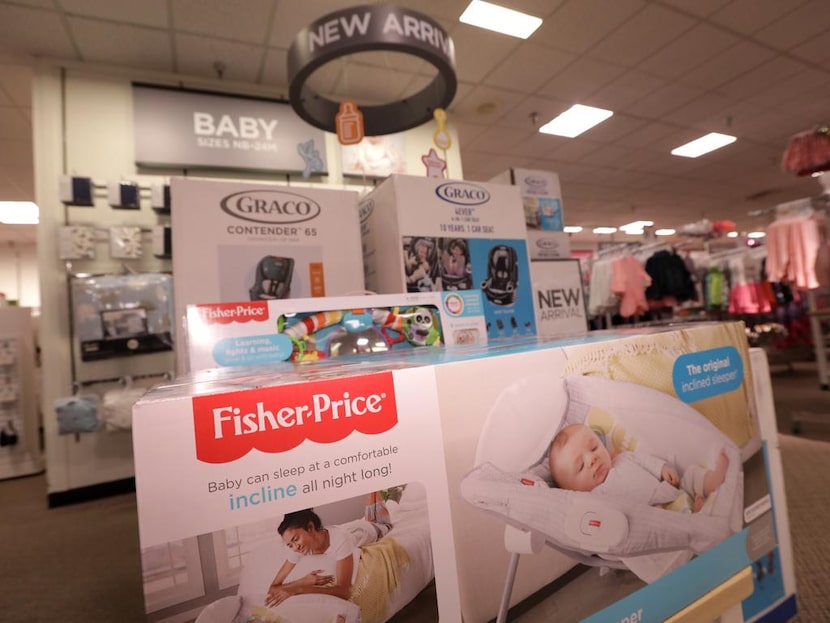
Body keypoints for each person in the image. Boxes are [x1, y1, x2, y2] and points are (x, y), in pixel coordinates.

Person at [548, 423, 729, 512]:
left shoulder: (622, 459)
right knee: (670, 523)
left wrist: (663, 469)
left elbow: (645, 461)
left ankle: (712, 480)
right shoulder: (596, 500)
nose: (592, 459)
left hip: (669, 488)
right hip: (654, 512)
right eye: (580, 466)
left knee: (690, 474)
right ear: (573, 491)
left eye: (594, 447)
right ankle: (697, 516)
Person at [264, 492, 392, 612]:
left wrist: (298, 589)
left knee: (382, 524)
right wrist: (303, 581)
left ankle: (374, 493)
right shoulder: (298, 549)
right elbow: (273, 588)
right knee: (367, 515)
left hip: (363, 532)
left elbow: (344, 592)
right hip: (343, 530)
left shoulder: (340, 539)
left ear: (310, 528)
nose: (295, 547)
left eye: (296, 539)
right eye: (289, 545)